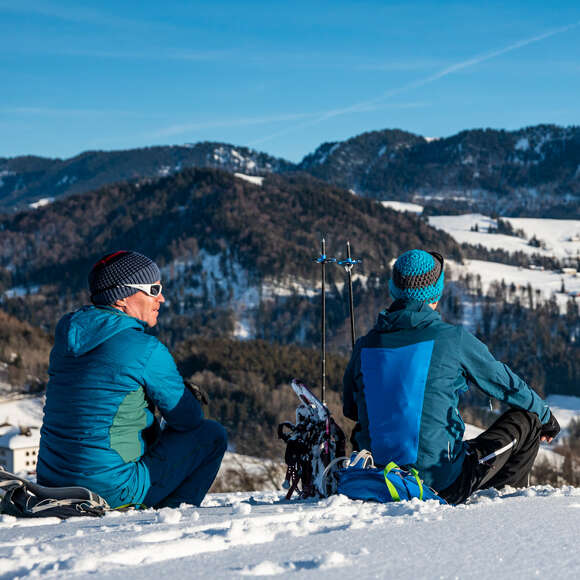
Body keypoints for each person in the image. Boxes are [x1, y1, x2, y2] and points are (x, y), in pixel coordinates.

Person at [342, 249, 560, 504]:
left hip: (379, 480)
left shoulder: (365, 345)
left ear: (393, 288)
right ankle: (504, 507)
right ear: (436, 291)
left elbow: (351, 409)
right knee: (528, 420)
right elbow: (507, 385)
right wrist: (546, 417)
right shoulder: (452, 339)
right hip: (440, 483)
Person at [37, 250, 227, 509]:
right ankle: (165, 518)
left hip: (50, 483)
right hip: (108, 490)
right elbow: (188, 420)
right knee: (211, 435)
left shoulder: (66, 341)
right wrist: (184, 395)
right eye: (153, 288)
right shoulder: (145, 349)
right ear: (122, 297)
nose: (161, 297)